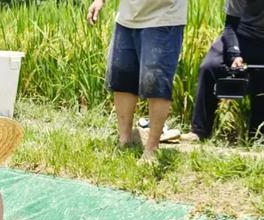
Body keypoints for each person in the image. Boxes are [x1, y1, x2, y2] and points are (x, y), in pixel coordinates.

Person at [87, 0, 188, 163]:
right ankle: (124, 141)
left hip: (163, 18)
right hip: (126, 18)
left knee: (156, 83)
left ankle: (151, 150)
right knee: (123, 78)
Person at [182, 0, 264, 142]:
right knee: (209, 67)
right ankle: (199, 131)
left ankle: (257, 136)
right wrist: (234, 54)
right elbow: (230, 25)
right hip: (240, 35)